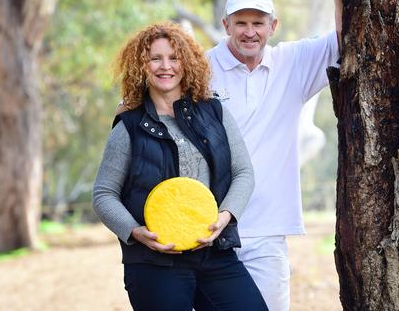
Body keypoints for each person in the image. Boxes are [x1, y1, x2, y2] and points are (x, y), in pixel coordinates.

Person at [92, 22, 268, 311]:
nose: (166, 66)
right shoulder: (129, 127)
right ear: (141, 66)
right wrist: (135, 232)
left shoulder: (214, 112)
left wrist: (225, 217)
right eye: (155, 58)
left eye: (174, 58)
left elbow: (243, 173)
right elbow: (103, 194)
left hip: (215, 254)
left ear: (186, 63)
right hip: (154, 263)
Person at [205, 0, 345, 310]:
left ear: (273, 26)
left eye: (257, 23)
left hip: (268, 229)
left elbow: (345, 39)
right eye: (241, 23)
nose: (249, 32)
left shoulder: (292, 63)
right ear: (227, 26)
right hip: (209, 227)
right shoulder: (201, 67)